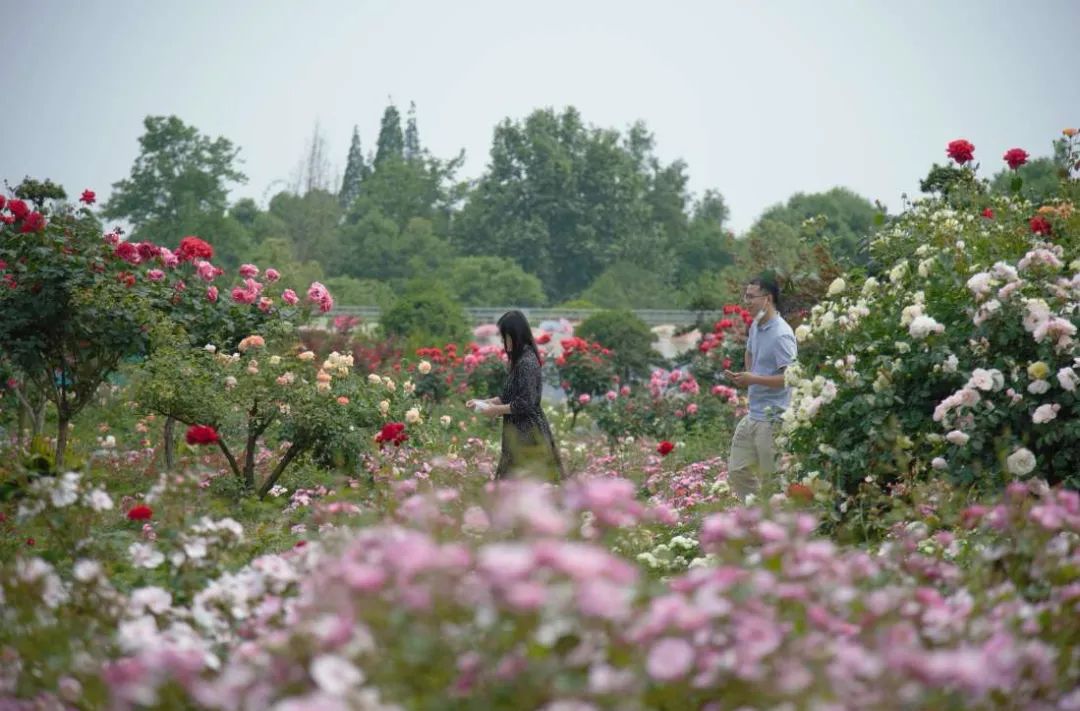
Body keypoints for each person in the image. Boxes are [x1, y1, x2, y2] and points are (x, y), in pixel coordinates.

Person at [467, 310, 566, 481]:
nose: (504, 342)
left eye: (506, 337)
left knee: (527, 485)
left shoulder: (527, 362)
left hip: (527, 433)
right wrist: (483, 402)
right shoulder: (519, 360)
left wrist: (495, 410)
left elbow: (525, 403)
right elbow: (507, 397)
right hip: (517, 431)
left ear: (516, 335)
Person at [723, 276, 797, 502]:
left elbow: (790, 377)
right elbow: (750, 352)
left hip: (773, 418)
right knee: (737, 471)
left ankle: (774, 526)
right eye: (745, 296)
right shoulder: (756, 325)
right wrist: (747, 377)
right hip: (754, 414)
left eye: (751, 296)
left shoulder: (781, 334)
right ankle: (760, 516)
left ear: (767, 299)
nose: (746, 301)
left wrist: (753, 379)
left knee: (773, 481)